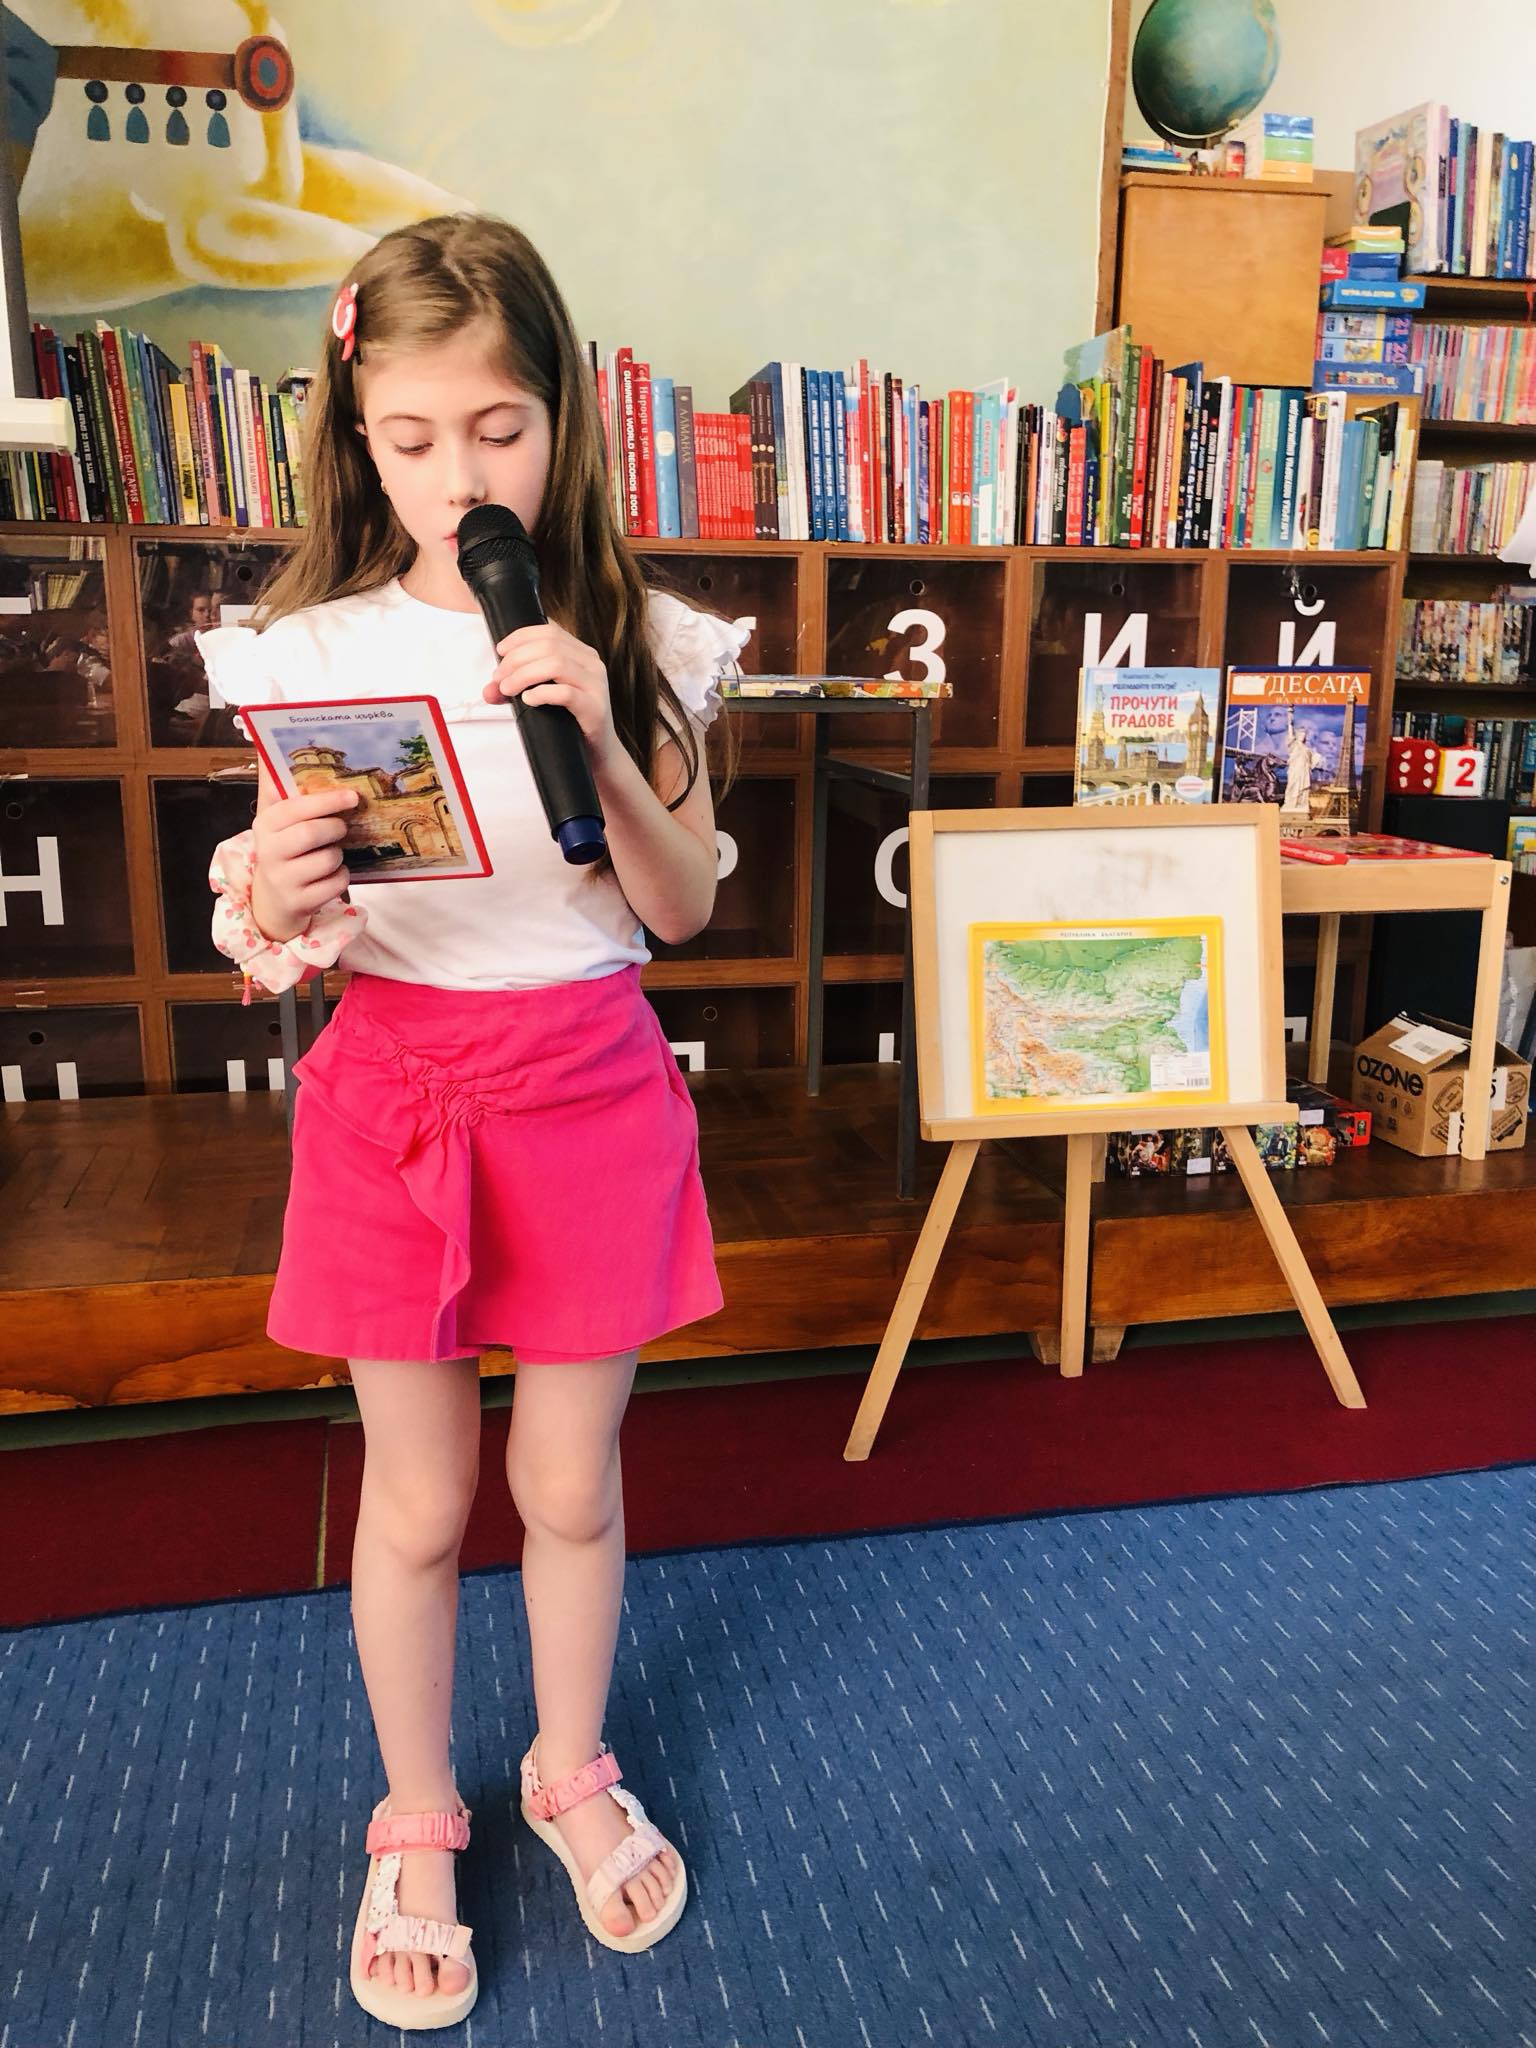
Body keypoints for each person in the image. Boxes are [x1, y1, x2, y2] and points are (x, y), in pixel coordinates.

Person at [196, 213, 748, 2032]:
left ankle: (569, 1767)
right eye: (413, 438)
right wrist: (277, 894)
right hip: (393, 1096)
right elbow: (271, 932)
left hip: (588, 1089)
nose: (459, 478)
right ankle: (417, 1811)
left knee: (568, 1483)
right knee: (421, 1502)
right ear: (360, 438)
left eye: (498, 431)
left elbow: (680, 907)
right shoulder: (308, 650)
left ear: (560, 419)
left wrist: (601, 731)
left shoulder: (642, 638)